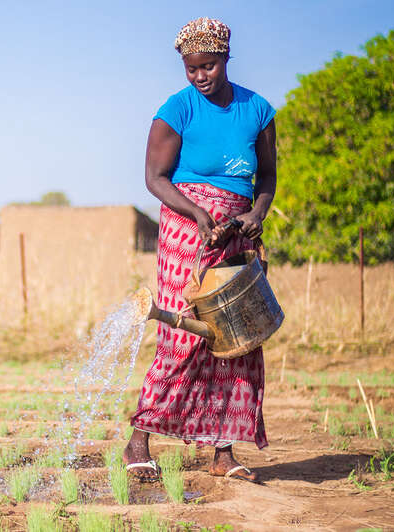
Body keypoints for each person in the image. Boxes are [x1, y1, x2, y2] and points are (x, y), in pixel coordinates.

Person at [123, 17, 276, 483]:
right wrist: (197, 213)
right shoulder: (178, 109)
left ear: (225, 59)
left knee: (237, 339)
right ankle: (139, 439)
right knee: (185, 335)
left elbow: (266, 177)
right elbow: (155, 179)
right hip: (188, 231)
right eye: (192, 69)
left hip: (237, 235)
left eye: (208, 66)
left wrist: (255, 216)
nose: (200, 77)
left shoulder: (258, 109)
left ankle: (223, 453)